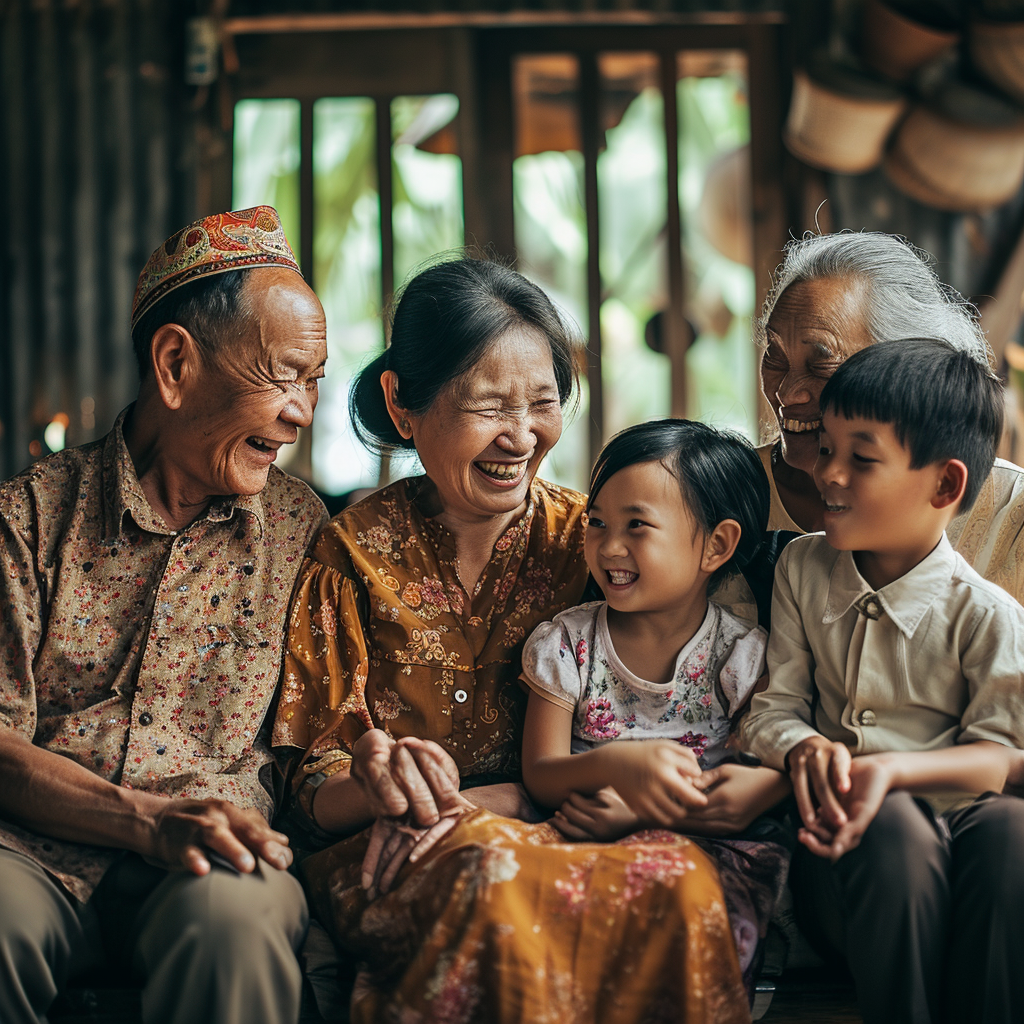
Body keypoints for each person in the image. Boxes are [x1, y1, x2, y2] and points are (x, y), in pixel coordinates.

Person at [277, 258, 762, 1024]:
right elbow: (312, 785)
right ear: (405, 407)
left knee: (683, 884)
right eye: (489, 405)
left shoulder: (596, 547)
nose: (522, 434)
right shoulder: (351, 554)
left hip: (576, 828)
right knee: (494, 878)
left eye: (543, 402)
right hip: (405, 847)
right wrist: (379, 785)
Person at [0, 206, 328, 1024]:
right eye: (284, 374)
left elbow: (320, 740)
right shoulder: (29, 519)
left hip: (219, 859)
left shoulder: (303, 531)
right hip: (29, 853)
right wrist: (144, 823)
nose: (302, 411)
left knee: (235, 922)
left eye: (313, 380)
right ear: (176, 364)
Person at [741, 338, 1024, 1024]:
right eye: (828, 449)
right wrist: (802, 747)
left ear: (945, 486)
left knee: (1011, 831)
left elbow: (1002, 756)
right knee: (893, 827)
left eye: (860, 458)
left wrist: (890, 771)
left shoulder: (987, 617)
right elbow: (773, 709)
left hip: (963, 859)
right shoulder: (802, 570)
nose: (829, 474)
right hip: (846, 868)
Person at [519, 418, 792, 978]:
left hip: (705, 844)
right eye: (597, 522)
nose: (608, 546)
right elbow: (542, 773)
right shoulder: (568, 643)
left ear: (716, 545)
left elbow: (753, 790)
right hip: (582, 836)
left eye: (637, 526)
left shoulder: (740, 657)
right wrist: (616, 764)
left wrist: (640, 810)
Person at [750, 230, 1024, 602]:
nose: (786, 392)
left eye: (822, 363)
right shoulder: (721, 496)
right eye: (775, 356)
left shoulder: (1013, 514)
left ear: (908, 364)